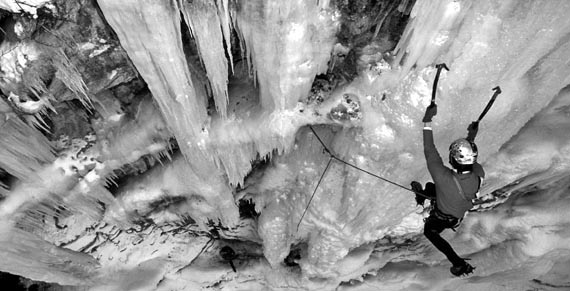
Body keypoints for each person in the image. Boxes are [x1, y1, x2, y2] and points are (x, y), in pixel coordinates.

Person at [411, 104, 485, 277]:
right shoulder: (478, 175)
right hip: (451, 217)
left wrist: (427, 120)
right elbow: (469, 162)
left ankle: (422, 198)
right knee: (432, 188)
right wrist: (470, 140)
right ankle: (423, 196)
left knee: (429, 228)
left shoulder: (443, 177)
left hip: (443, 214)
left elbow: (430, 150)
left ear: (452, 159)